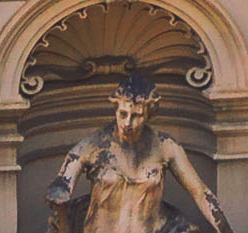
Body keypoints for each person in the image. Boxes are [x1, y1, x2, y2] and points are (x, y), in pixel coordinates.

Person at [47, 72, 229, 233]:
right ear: (115, 109)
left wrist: (226, 231)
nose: (127, 123)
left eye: (136, 116)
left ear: (149, 114)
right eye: (123, 114)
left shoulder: (165, 145)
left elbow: (199, 192)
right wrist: (59, 191)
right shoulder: (94, 145)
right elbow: (63, 180)